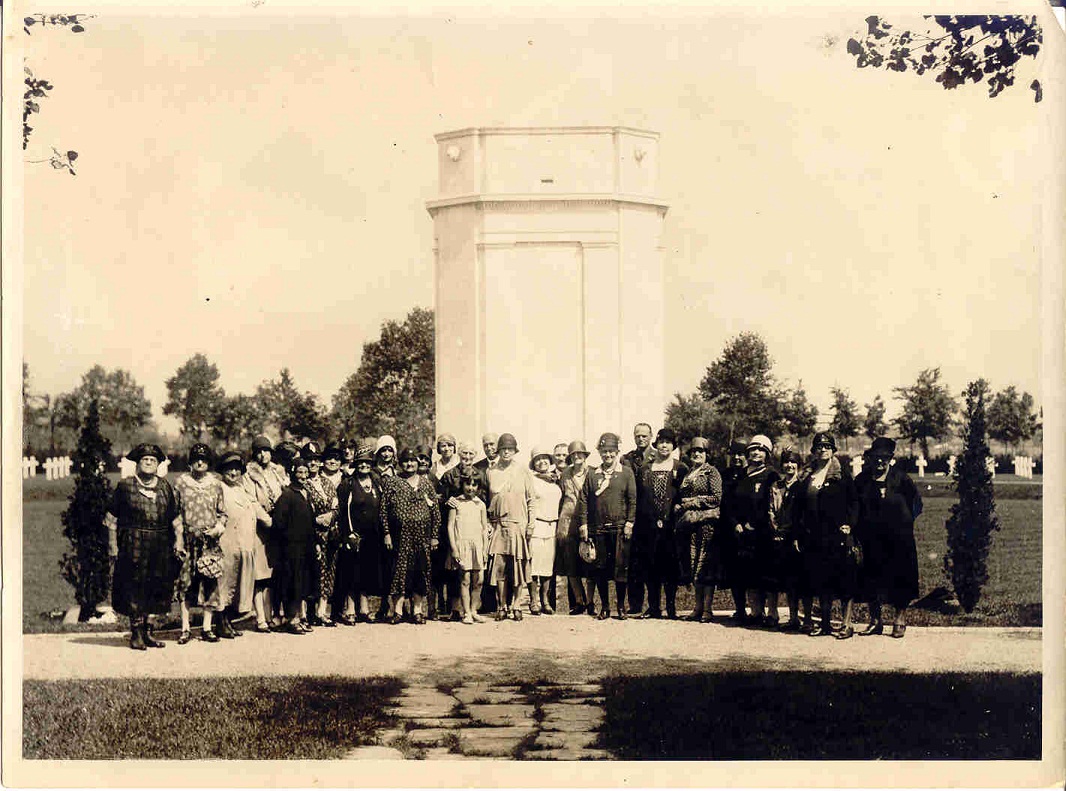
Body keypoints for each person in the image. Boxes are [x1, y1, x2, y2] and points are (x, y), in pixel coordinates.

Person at [106, 443, 183, 651]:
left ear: (158, 465)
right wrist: (113, 545)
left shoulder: (166, 487)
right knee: (134, 586)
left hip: (160, 544)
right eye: (145, 460)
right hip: (133, 544)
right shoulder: (125, 486)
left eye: (153, 460)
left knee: (156, 586)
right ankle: (136, 633)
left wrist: (179, 541)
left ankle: (149, 632)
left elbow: (175, 519)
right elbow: (111, 519)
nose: (149, 463)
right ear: (138, 464)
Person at [790, 432, 859, 638]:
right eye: (819, 447)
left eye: (827, 447)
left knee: (844, 578)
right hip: (813, 535)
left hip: (837, 534)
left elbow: (854, 503)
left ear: (833, 450)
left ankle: (847, 624)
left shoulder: (841, 475)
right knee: (820, 579)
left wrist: (849, 525)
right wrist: (796, 533)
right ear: (813, 451)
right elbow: (798, 507)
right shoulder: (806, 476)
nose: (823, 450)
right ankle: (826, 624)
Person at [854, 436, 923, 638]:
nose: (880, 461)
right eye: (876, 457)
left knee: (900, 576)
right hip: (870, 537)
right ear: (870, 457)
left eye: (884, 457)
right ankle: (875, 620)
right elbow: (854, 505)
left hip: (898, 538)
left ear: (890, 458)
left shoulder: (901, 479)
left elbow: (916, 504)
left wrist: (905, 521)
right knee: (870, 577)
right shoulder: (862, 480)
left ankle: (899, 618)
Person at [174, 443, 231, 644]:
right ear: (190, 462)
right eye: (196, 459)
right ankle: (185, 628)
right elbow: (176, 514)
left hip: (209, 542)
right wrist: (179, 539)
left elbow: (223, 513)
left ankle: (207, 627)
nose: (200, 463)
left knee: (210, 582)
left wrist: (217, 528)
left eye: (204, 460)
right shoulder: (181, 483)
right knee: (186, 583)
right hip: (188, 541)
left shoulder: (215, 484)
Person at [577, 433, 637, 620]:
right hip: (599, 528)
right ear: (599, 453)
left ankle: (620, 606)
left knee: (620, 568)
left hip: (619, 528)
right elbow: (584, 499)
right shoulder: (592, 474)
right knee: (600, 568)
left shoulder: (626, 472)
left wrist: (629, 522)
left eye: (611, 451)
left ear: (618, 452)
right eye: (604, 452)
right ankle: (605, 607)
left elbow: (632, 500)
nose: (608, 455)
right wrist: (584, 525)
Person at [379, 447, 440, 624]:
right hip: (400, 537)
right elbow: (383, 511)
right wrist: (387, 533)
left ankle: (417, 610)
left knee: (420, 571)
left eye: (412, 461)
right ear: (400, 463)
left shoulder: (426, 483)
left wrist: (434, 536)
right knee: (399, 571)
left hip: (421, 537)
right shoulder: (392, 482)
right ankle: (397, 611)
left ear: (418, 463)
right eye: (405, 461)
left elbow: (435, 512)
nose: (409, 464)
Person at [635, 429, 689, 619]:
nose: (664, 446)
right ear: (656, 444)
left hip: (672, 525)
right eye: (661, 442)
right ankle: (654, 607)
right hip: (649, 526)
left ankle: (671, 607)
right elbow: (641, 497)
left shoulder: (680, 468)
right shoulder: (645, 468)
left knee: (671, 566)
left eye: (668, 442)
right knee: (651, 565)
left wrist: (678, 509)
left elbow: (686, 495)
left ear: (673, 446)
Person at [728, 435, 781, 627]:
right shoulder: (740, 476)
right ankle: (756, 612)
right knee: (749, 573)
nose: (756, 453)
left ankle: (772, 613)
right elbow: (730, 504)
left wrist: (758, 523)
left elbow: (773, 506)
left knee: (768, 574)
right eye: (752, 450)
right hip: (743, 533)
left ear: (767, 454)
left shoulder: (771, 475)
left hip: (764, 533)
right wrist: (736, 523)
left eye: (760, 450)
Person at [485, 433, 535, 621]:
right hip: (499, 525)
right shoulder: (492, 471)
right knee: (499, 568)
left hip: (518, 525)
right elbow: (489, 501)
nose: (506, 452)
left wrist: (530, 525)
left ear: (515, 451)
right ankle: (501, 605)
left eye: (510, 449)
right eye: (503, 449)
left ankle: (516, 605)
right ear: (498, 451)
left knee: (518, 567)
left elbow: (531, 500)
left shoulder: (522, 471)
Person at [675, 437, 724, 622]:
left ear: (707, 454)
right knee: (694, 564)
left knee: (706, 565)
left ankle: (707, 609)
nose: (696, 454)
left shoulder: (712, 472)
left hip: (706, 525)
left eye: (700, 451)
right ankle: (697, 607)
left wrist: (691, 503)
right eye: (693, 451)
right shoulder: (688, 473)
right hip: (690, 526)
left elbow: (716, 498)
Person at [334, 442, 384, 624]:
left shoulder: (376, 482)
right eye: (361, 462)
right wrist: (348, 534)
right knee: (351, 573)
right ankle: (350, 609)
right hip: (354, 535)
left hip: (372, 535)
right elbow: (342, 511)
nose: (364, 465)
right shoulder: (348, 483)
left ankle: (364, 608)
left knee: (367, 571)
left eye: (367, 462)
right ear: (356, 463)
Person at [216, 451, 264, 632]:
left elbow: (255, 508)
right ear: (222, 470)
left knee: (237, 582)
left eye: (237, 469)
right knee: (225, 582)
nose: (234, 473)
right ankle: (220, 622)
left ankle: (228, 619)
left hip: (244, 542)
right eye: (229, 469)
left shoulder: (242, 489)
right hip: (227, 541)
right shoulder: (219, 488)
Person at [272, 456, 317, 634]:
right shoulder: (287, 495)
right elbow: (278, 523)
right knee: (292, 583)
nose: (303, 476)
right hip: (292, 548)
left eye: (306, 472)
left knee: (303, 583)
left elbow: (310, 521)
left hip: (306, 547)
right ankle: (291, 619)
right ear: (292, 473)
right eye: (299, 472)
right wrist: (287, 544)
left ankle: (300, 616)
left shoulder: (306, 493)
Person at [245, 435, 286, 628]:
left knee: (273, 573)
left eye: (266, 451)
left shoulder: (277, 472)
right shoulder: (249, 475)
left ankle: (271, 615)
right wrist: (269, 520)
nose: (263, 455)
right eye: (259, 451)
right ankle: (260, 617)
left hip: (278, 528)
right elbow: (252, 502)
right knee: (259, 574)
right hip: (260, 528)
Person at [445, 468, 490, 624]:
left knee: (479, 579)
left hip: (478, 545)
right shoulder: (456, 502)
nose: (471, 488)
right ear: (462, 484)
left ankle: (474, 610)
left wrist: (485, 548)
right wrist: (454, 549)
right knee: (465, 579)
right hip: (462, 544)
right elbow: (450, 526)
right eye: (468, 484)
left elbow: (485, 528)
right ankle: (466, 613)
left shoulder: (481, 504)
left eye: (474, 485)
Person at [303, 442, 340, 627]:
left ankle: (322, 612)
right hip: (311, 535)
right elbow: (303, 511)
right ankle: (307, 614)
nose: (313, 464)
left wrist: (331, 516)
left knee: (328, 571)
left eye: (316, 460)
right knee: (312, 572)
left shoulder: (326, 482)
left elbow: (336, 505)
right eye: (309, 460)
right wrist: (316, 520)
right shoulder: (303, 483)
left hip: (330, 535)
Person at [768, 448, 805, 630]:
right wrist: (775, 529)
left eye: (793, 463)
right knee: (774, 577)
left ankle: (793, 617)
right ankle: (772, 614)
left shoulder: (802, 486)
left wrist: (788, 531)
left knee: (794, 580)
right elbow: (771, 510)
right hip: (776, 536)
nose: (789, 466)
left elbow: (800, 514)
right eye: (786, 462)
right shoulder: (776, 486)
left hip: (793, 537)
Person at [622, 423, 655, 613]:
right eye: (637, 436)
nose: (641, 439)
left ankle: (653, 605)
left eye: (644, 436)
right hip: (631, 515)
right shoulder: (627, 458)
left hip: (650, 515)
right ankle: (635, 605)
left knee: (650, 561)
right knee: (633, 562)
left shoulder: (658, 456)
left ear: (650, 436)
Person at [556, 440, 591, 615]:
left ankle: (590, 601)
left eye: (580, 454)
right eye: (574, 454)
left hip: (587, 520)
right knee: (570, 563)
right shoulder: (565, 474)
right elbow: (561, 497)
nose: (577, 457)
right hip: (568, 521)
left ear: (585, 456)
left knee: (590, 560)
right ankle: (578, 601)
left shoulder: (592, 473)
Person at [529, 446, 562, 614]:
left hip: (552, 526)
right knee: (535, 565)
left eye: (545, 459)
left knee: (548, 566)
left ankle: (545, 600)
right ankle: (534, 601)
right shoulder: (531, 480)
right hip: (536, 525)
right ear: (533, 463)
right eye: (538, 459)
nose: (542, 462)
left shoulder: (555, 480)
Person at [719, 440, 749, 622]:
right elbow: (725, 503)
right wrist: (733, 523)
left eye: (741, 454)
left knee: (749, 570)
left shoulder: (750, 474)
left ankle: (756, 610)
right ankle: (740, 608)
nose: (737, 458)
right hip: (730, 528)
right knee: (734, 570)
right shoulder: (726, 475)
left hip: (750, 528)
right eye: (734, 455)